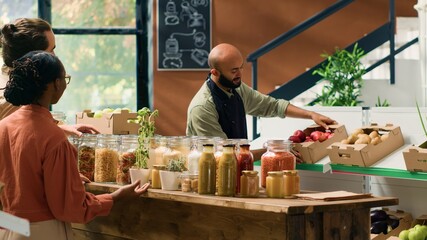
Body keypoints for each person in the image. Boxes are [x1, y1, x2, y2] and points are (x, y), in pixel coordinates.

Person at [0, 51, 150, 240]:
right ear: (56, 83)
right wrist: (115, 197)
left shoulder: (3, 126)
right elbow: (70, 209)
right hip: (41, 232)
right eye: (65, 79)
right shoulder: (53, 137)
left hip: (7, 228)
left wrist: (66, 177)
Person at [186, 43, 337, 139]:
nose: (239, 74)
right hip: (209, 181)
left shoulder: (236, 88)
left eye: (241, 67)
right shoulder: (203, 107)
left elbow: (272, 106)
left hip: (235, 173)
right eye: (233, 71)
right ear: (215, 73)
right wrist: (272, 151)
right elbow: (224, 155)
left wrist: (311, 115)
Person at [0, 17, 98, 137]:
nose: (55, 57)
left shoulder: (10, 81)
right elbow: (21, 137)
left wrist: (64, 129)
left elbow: (27, 129)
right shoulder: (17, 98)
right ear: (34, 57)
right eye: (51, 51)